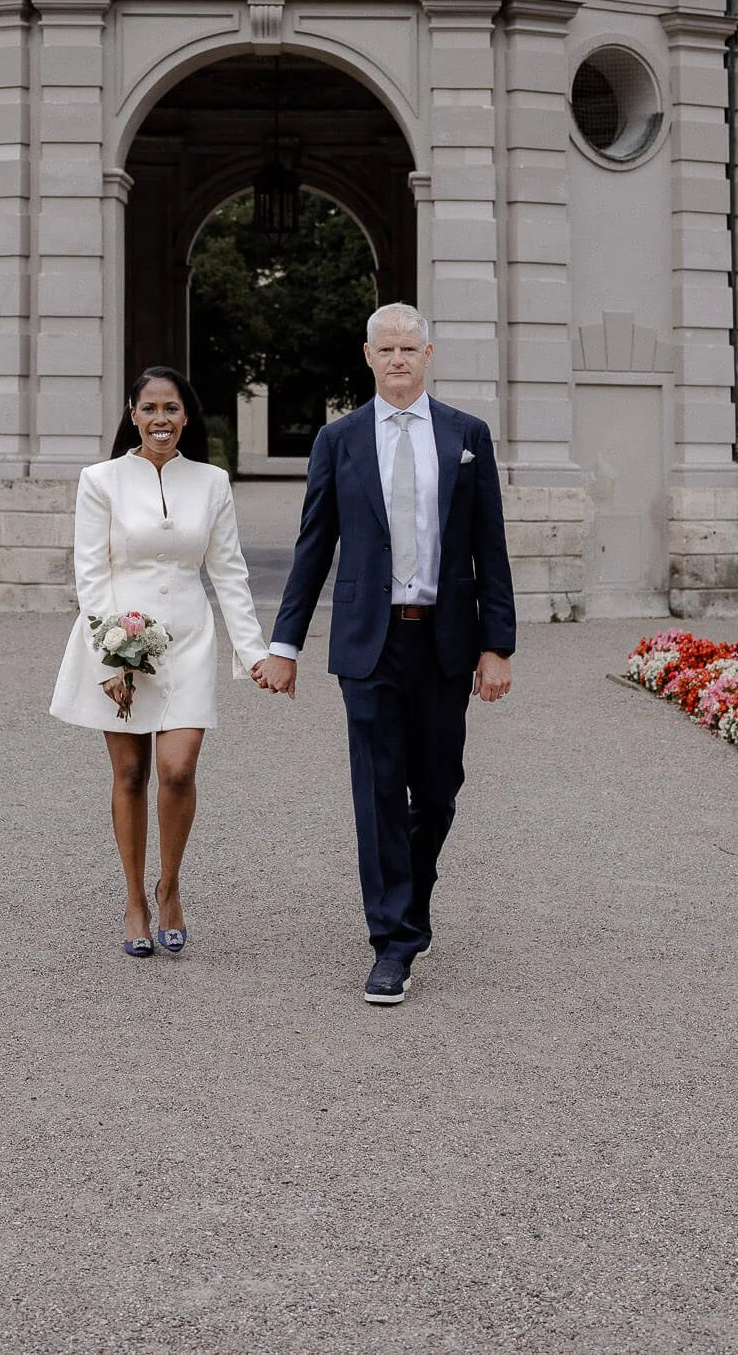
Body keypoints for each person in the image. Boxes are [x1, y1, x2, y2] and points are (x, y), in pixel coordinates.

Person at [253, 304, 516, 1005]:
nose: (398, 360)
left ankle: (410, 891)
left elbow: (490, 547)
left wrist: (498, 646)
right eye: (386, 349)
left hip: (445, 640)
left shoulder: (466, 435)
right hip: (368, 641)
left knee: (436, 789)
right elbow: (314, 548)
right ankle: (392, 943)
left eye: (409, 348)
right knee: (378, 791)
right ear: (367, 357)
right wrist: (285, 645)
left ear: (429, 354)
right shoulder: (339, 441)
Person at [50, 366, 269, 958]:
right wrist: (111, 649)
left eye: (171, 409)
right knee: (130, 775)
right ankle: (134, 901)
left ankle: (169, 886)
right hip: (119, 639)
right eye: (149, 409)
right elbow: (90, 572)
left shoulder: (211, 482)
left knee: (177, 768)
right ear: (132, 414)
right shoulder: (100, 480)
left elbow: (228, 571)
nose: (160, 420)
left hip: (190, 640)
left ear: (186, 416)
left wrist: (253, 651)